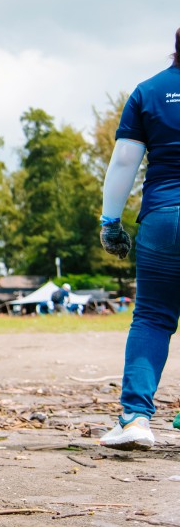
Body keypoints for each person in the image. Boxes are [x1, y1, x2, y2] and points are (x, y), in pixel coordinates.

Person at [97, 28, 180, 451]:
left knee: (152, 318)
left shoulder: (148, 92)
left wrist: (110, 221)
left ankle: (135, 421)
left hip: (163, 219)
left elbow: (124, 160)